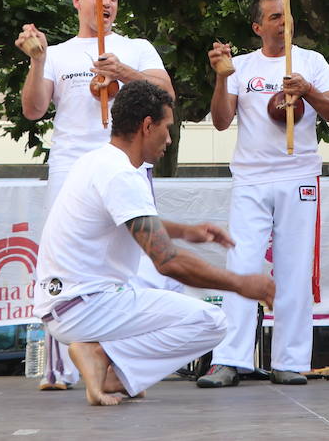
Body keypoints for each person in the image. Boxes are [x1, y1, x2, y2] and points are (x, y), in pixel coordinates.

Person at [34, 80, 275, 406]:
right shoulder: (121, 174)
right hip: (84, 307)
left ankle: (112, 365)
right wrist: (241, 283)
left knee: (157, 285)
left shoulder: (98, 160)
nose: (169, 139)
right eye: (167, 127)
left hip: (66, 303)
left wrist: (187, 230)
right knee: (212, 322)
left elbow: (131, 223)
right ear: (147, 126)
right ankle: (105, 361)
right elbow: (168, 261)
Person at [16, 0, 175, 391]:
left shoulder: (135, 47)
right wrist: (37, 60)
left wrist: (123, 71)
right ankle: (61, 368)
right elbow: (33, 109)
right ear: (76, 1)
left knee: (136, 259)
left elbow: (167, 93)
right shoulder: (61, 53)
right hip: (72, 165)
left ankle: (120, 365)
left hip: (125, 161)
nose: (106, 3)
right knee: (63, 259)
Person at [196, 0, 329, 388]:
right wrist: (222, 77)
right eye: (275, 17)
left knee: (295, 269)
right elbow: (221, 122)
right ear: (257, 27)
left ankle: (290, 361)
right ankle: (229, 359)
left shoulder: (312, 62)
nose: (284, 22)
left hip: (299, 177)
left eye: (287, 15)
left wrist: (308, 90)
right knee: (242, 266)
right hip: (250, 178)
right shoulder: (240, 66)